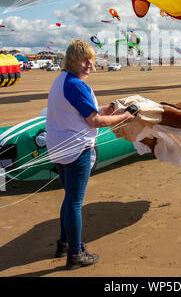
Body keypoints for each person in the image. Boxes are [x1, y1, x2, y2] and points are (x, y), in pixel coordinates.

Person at [46, 39, 135, 270]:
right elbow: (94, 121)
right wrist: (125, 118)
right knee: (75, 203)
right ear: (71, 60)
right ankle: (75, 254)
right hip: (76, 149)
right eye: (83, 59)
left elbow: (89, 112)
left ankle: (65, 243)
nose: (89, 64)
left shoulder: (61, 80)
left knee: (69, 198)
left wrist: (114, 108)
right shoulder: (76, 85)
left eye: (91, 59)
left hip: (59, 148)